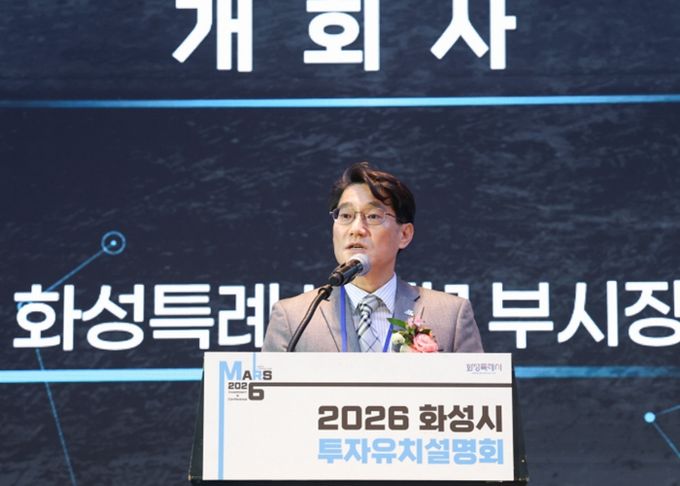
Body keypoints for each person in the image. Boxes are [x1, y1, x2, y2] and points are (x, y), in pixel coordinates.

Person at [262, 162, 483, 353]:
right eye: (345, 215)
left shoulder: (450, 315)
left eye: (373, 216)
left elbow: (476, 389)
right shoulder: (293, 318)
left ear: (404, 234)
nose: (356, 229)